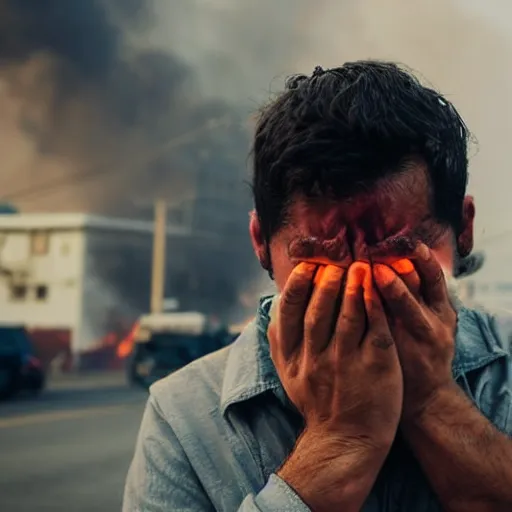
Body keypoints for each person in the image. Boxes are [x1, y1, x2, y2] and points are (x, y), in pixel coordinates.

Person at [123, 61, 512, 511]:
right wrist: (337, 441)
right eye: (322, 261)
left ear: (462, 229)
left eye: (398, 254)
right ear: (261, 245)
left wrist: (432, 402)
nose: (361, 292)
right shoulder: (184, 416)